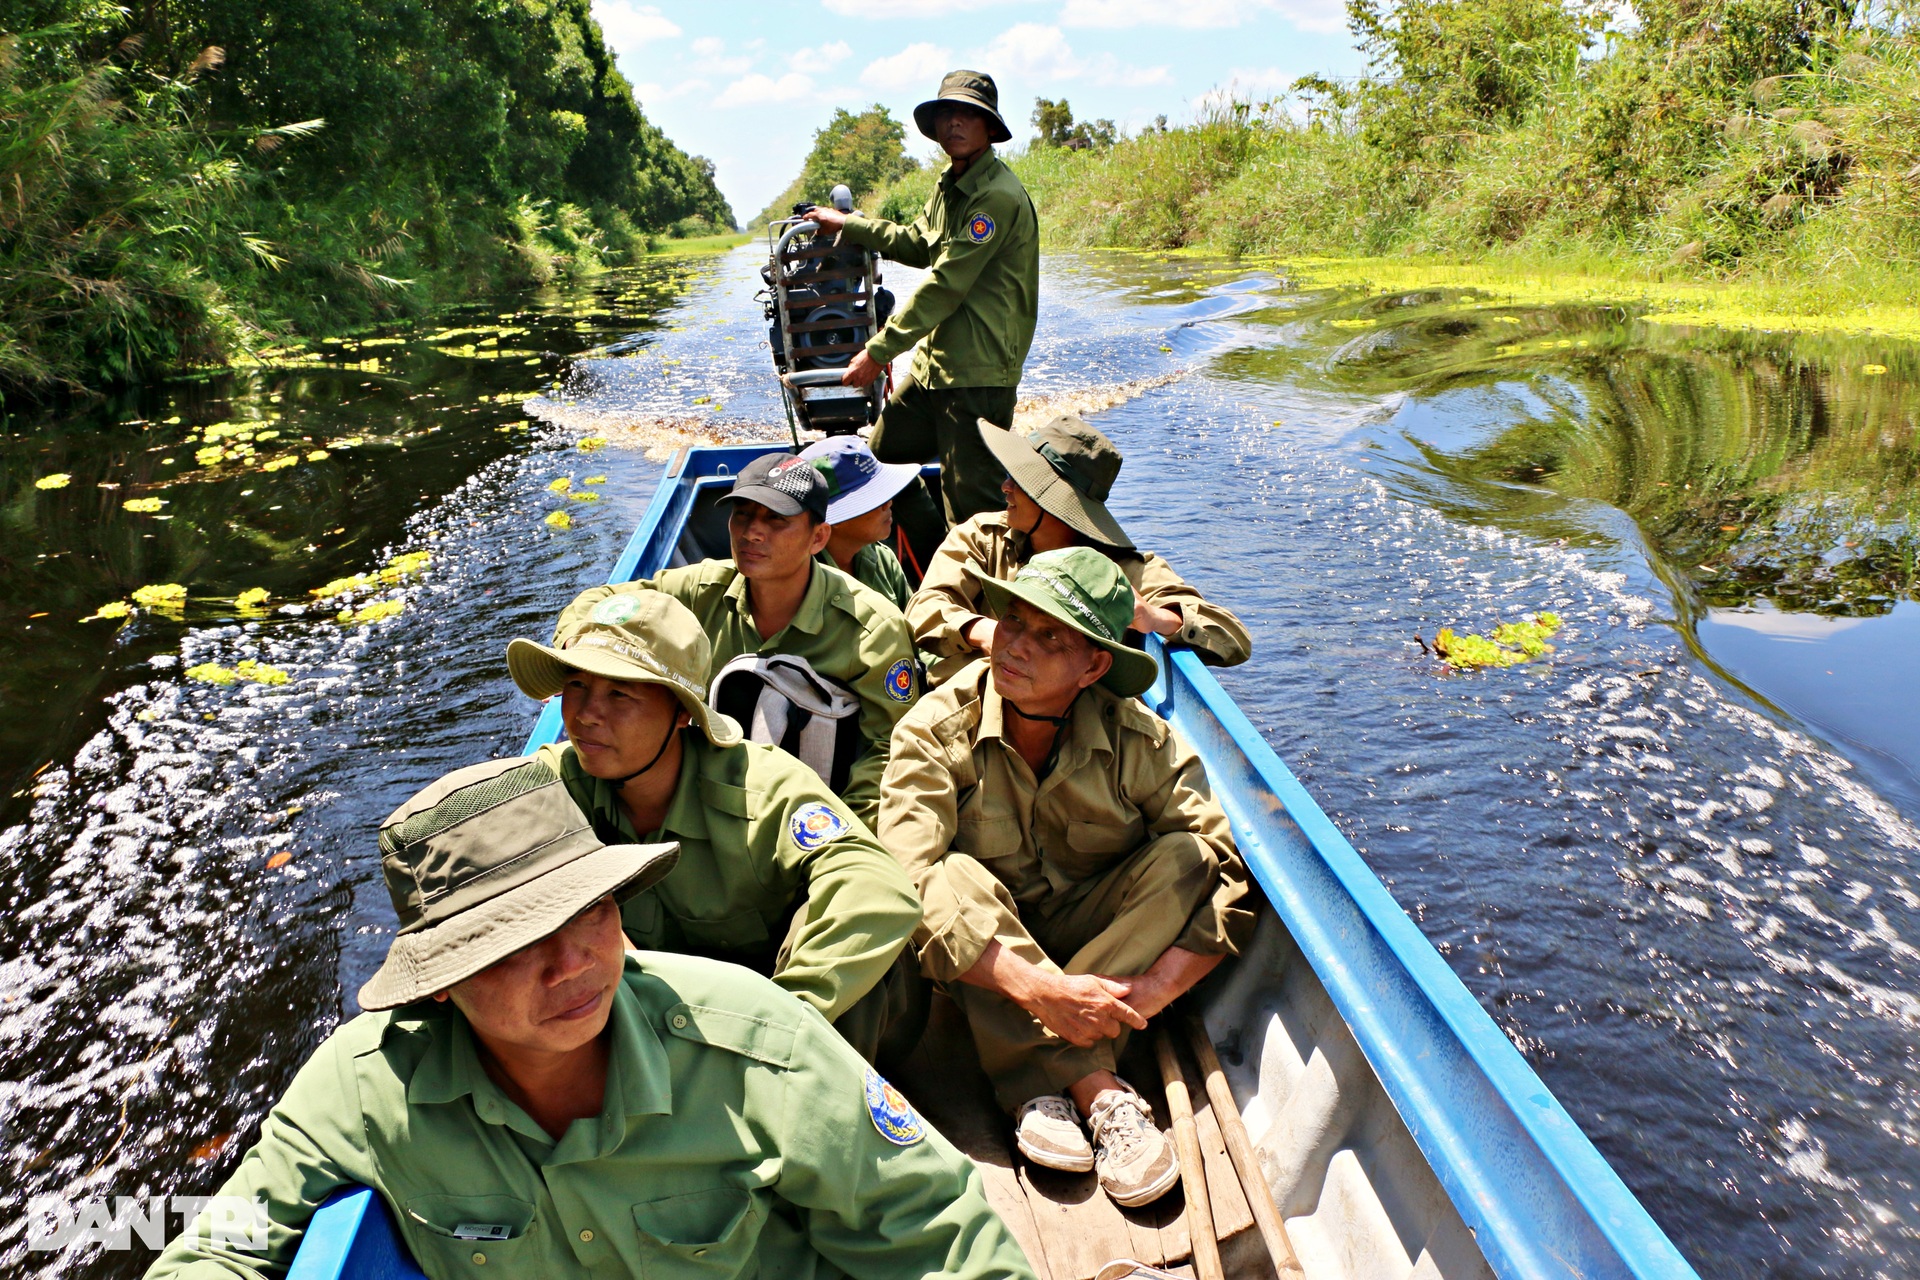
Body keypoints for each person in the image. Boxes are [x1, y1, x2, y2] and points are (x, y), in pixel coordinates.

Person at [143, 757, 1036, 1280]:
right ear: (442, 981)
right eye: (514, 945)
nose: (574, 966)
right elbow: (223, 1244)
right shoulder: (366, 1088)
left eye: (592, 913)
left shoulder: (755, 1047)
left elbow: (938, 1237)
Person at [878, 547, 1255, 1208]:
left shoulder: (1140, 741)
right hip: (988, 955)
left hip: (1100, 943)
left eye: (1050, 635)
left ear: (1095, 666)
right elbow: (906, 879)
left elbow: (1224, 869)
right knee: (948, 873)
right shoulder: (934, 732)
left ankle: (1039, 1077)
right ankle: (1098, 1091)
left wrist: (1146, 995)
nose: (1016, 645)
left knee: (1186, 860)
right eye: (1014, 622)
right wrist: (1040, 988)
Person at [507, 590, 925, 1063]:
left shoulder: (760, 786)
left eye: (619, 694)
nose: (584, 715)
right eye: (577, 686)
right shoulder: (561, 782)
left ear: (683, 714)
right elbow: (471, 822)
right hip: (669, 1019)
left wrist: (779, 1023)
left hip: (783, 1016)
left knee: (863, 954)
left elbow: (879, 889)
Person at [553, 452, 916, 831]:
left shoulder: (872, 628)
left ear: (818, 537)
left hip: (822, 801)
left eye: (776, 520)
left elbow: (887, 751)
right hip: (710, 794)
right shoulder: (702, 589)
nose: (751, 533)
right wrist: (575, 652)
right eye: (742, 514)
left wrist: (839, 833)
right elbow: (599, 601)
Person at [806, 69, 1039, 573]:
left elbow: (946, 284)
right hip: (936, 368)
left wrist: (878, 351)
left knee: (973, 510)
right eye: (946, 114)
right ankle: (937, 563)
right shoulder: (951, 184)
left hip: (977, 376)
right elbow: (917, 242)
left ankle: (982, 605)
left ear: (989, 127)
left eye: (968, 115)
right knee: (880, 461)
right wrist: (849, 224)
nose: (955, 123)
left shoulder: (994, 198)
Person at [909, 414, 1253, 687]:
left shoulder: (1122, 570)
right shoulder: (984, 537)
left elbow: (1233, 639)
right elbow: (924, 608)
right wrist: (988, 634)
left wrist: (1156, 617)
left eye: (1020, 481)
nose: (1005, 487)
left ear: (1056, 502)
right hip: (977, 695)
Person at [797, 434, 921, 610]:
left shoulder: (884, 560)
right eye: (873, 498)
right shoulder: (796, 580)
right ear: (835, 520)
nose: (888, 503)